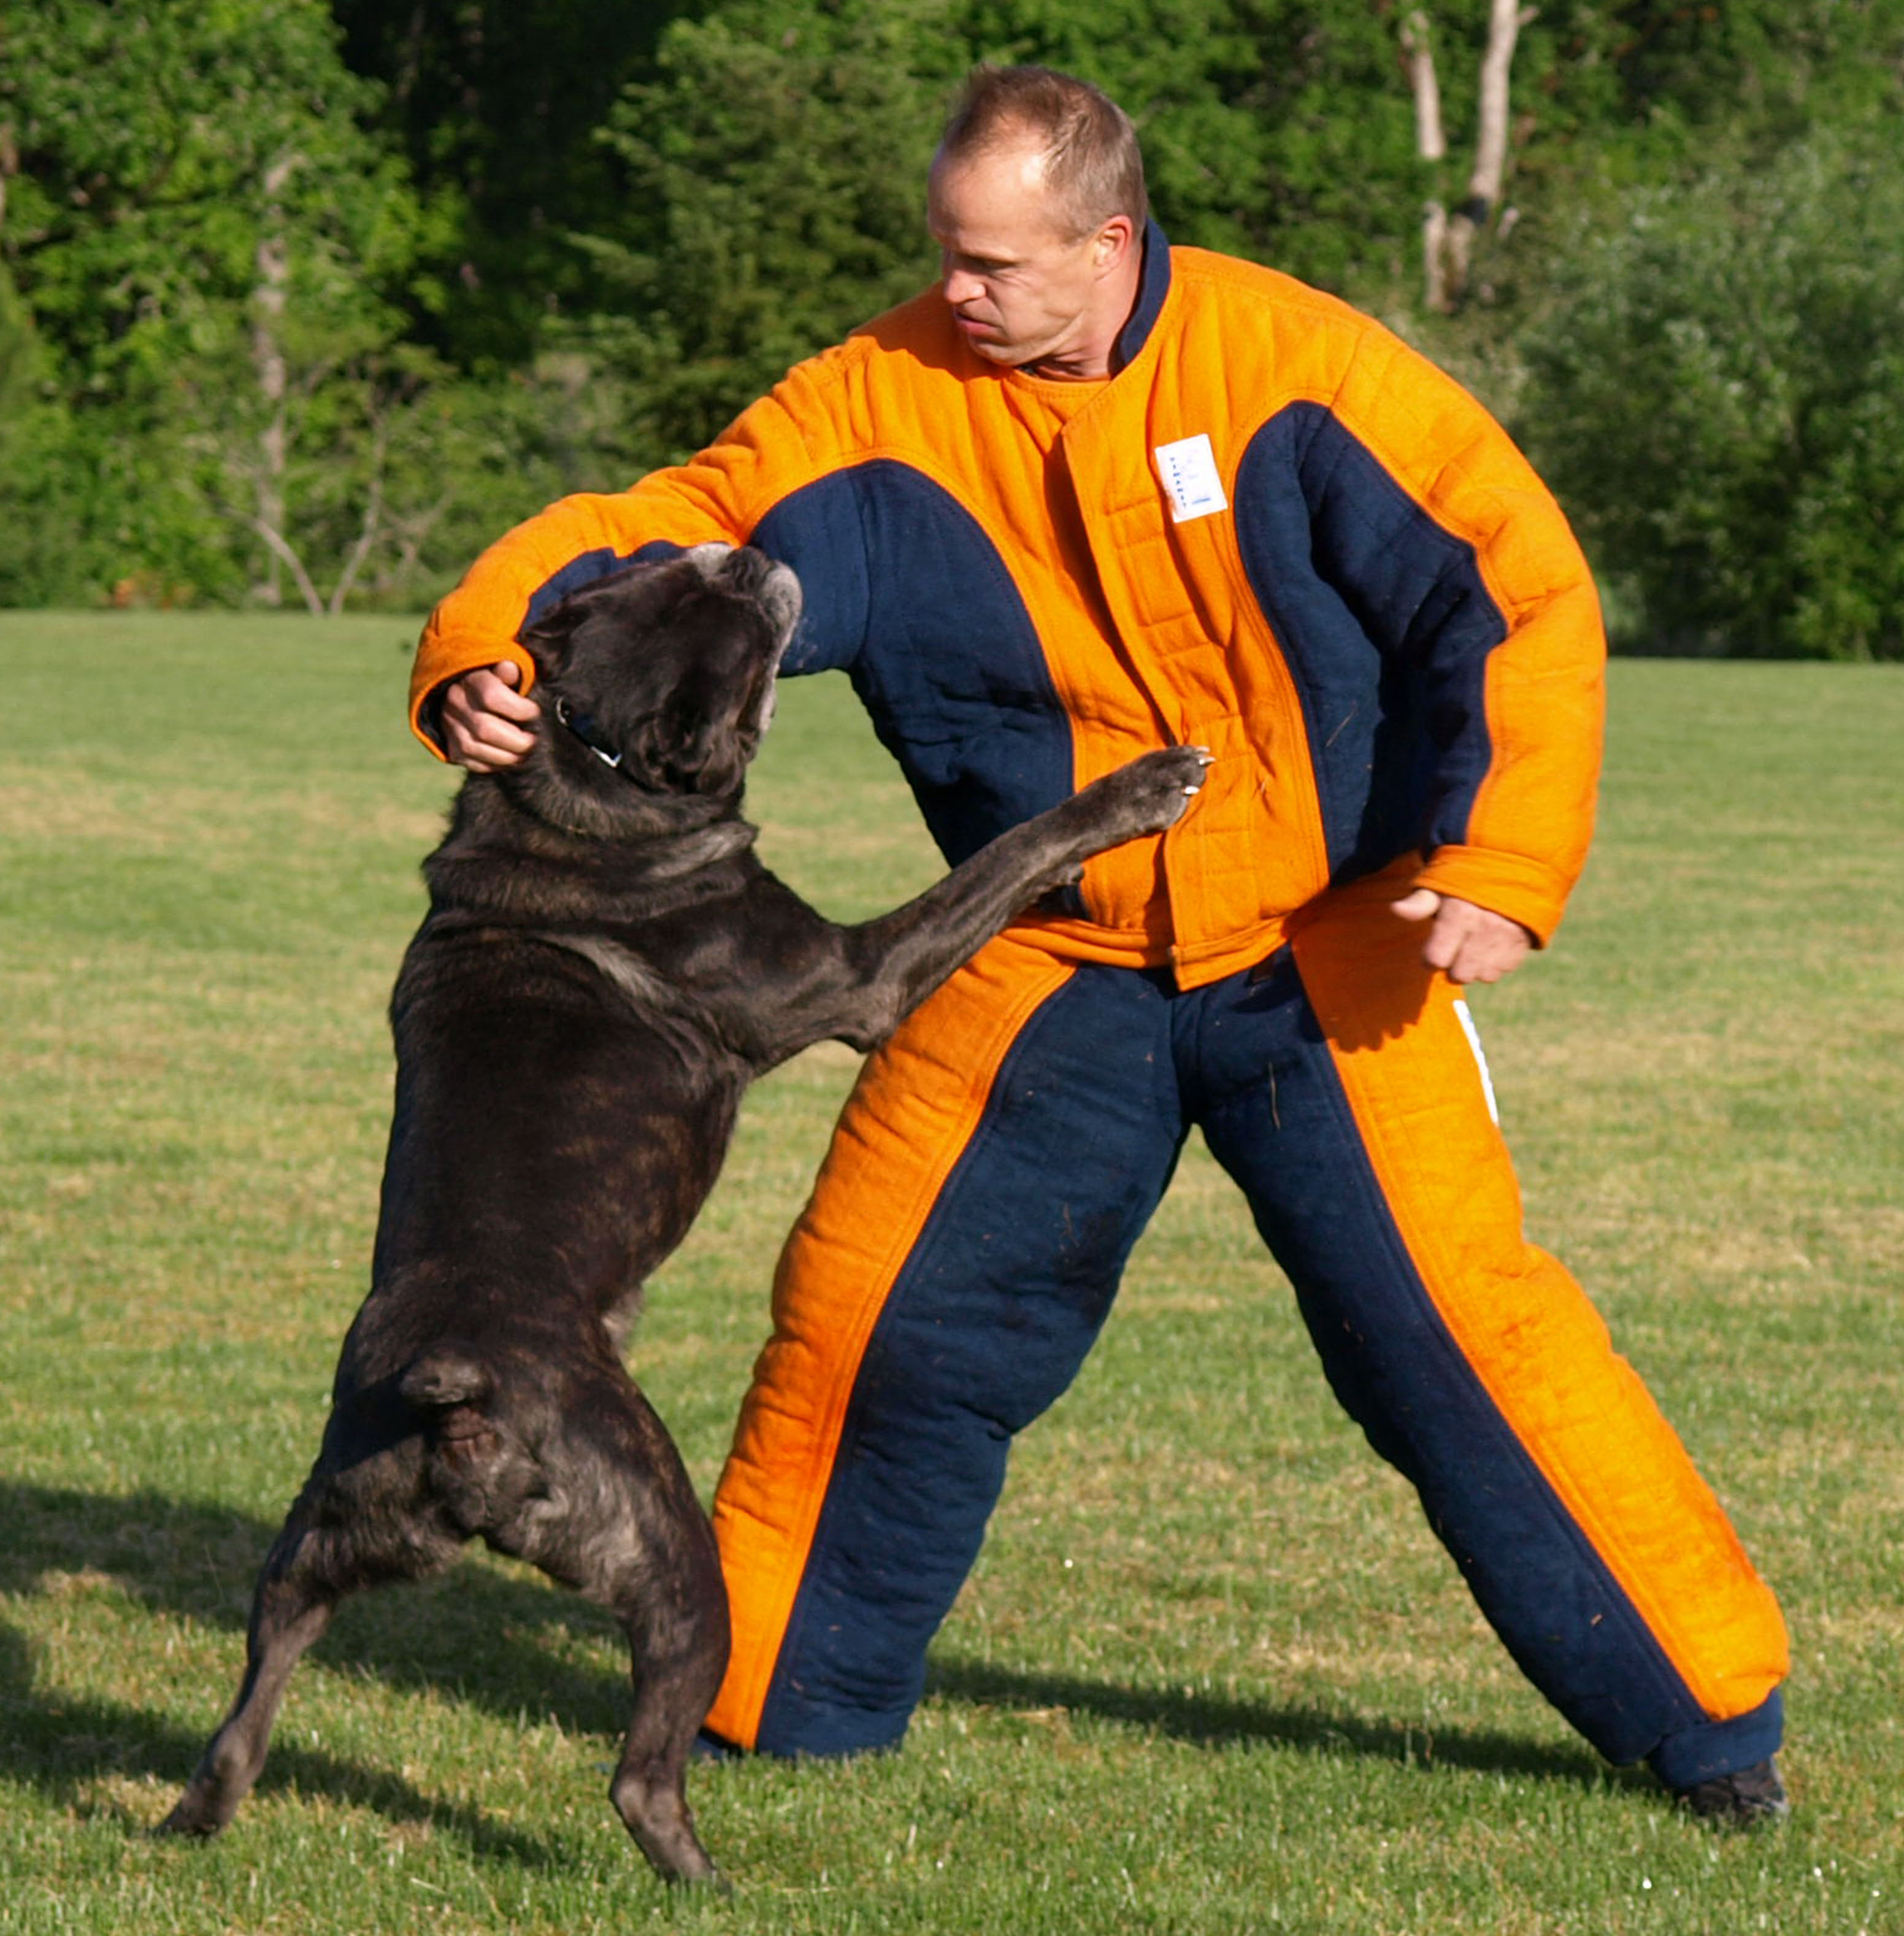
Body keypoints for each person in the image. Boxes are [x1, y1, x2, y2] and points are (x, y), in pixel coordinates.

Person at [409, 66, 1789, 1823]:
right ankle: (770, 1699)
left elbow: (1514, 584)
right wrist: (484, 646)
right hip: (1047, 954)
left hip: (1328, 949)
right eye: (945, 258)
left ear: (1111, 241)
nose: (956, 293)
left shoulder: (1299, 366)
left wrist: (1507, 861)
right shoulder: (883, 402)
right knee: (875, 1321)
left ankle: (1712, 1724)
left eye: (993, 264)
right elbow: (672, 527)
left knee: (1454, 1337)